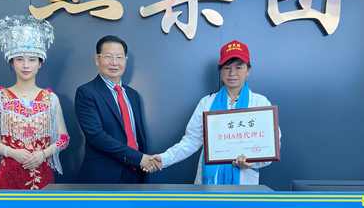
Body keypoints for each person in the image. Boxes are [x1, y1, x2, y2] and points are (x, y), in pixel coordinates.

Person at [154, 40, 279, 185]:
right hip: (208, 184)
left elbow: (271, 145)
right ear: (220, 72)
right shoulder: (206, 103)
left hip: (244, 185)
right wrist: (163, 159)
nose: (232, 73)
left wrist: (252, 162)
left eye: (239, 67)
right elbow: (191, 141)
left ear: (248, 71)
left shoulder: (260, 103)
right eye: (227, 68)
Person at [0, 15, 69, 189]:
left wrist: (43, 154)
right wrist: (11, 152)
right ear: (12, 63)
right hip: (8, 176)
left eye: (32, 59)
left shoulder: (50, 99)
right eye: (19, 59)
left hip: (43, 175)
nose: (26, 65)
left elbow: (63, 138)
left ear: (40, 63)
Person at [75, 35, 158, 183]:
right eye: (108, 57)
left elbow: (137, 137)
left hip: (136, 173)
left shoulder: (133, 95)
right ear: (97, 59)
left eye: (119, 57)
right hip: (104, 177)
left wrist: (142, 162)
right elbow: (96, 136)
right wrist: (139, 158)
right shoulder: (86, 92)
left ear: (125, 60)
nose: (114, 62)